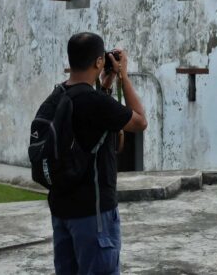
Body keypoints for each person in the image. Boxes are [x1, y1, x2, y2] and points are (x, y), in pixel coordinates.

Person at [49, 32, 147, 275]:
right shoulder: (95, 103)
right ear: (98, 62)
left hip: (62, 211)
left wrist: (105, 84)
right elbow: (140, 122)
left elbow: (92, 120)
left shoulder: (56, 97)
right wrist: (124, 77)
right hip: (93, 214)